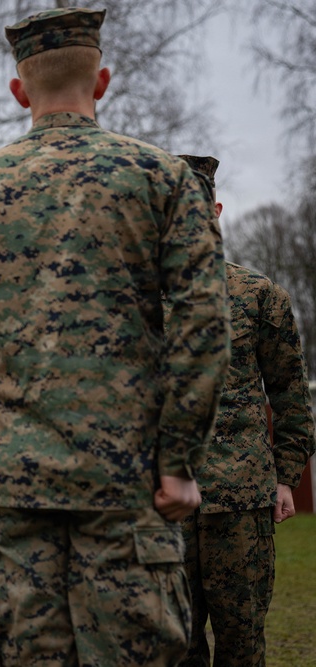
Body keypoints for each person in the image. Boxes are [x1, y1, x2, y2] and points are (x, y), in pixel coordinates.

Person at [0, 8, 231, 666]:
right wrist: (176, 460)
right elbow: (203, 326)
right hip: (133, 492)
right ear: (101, 81)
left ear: (19, 91)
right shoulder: (164, 182)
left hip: (17, 498)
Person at [174, 155, 316, 667]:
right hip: (163, 507)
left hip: (242, 505)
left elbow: (291, 398)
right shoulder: (137, 303)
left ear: (216, 209)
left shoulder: (259, 298)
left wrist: (286, 477)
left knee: (242, 647)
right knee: (173, 648)